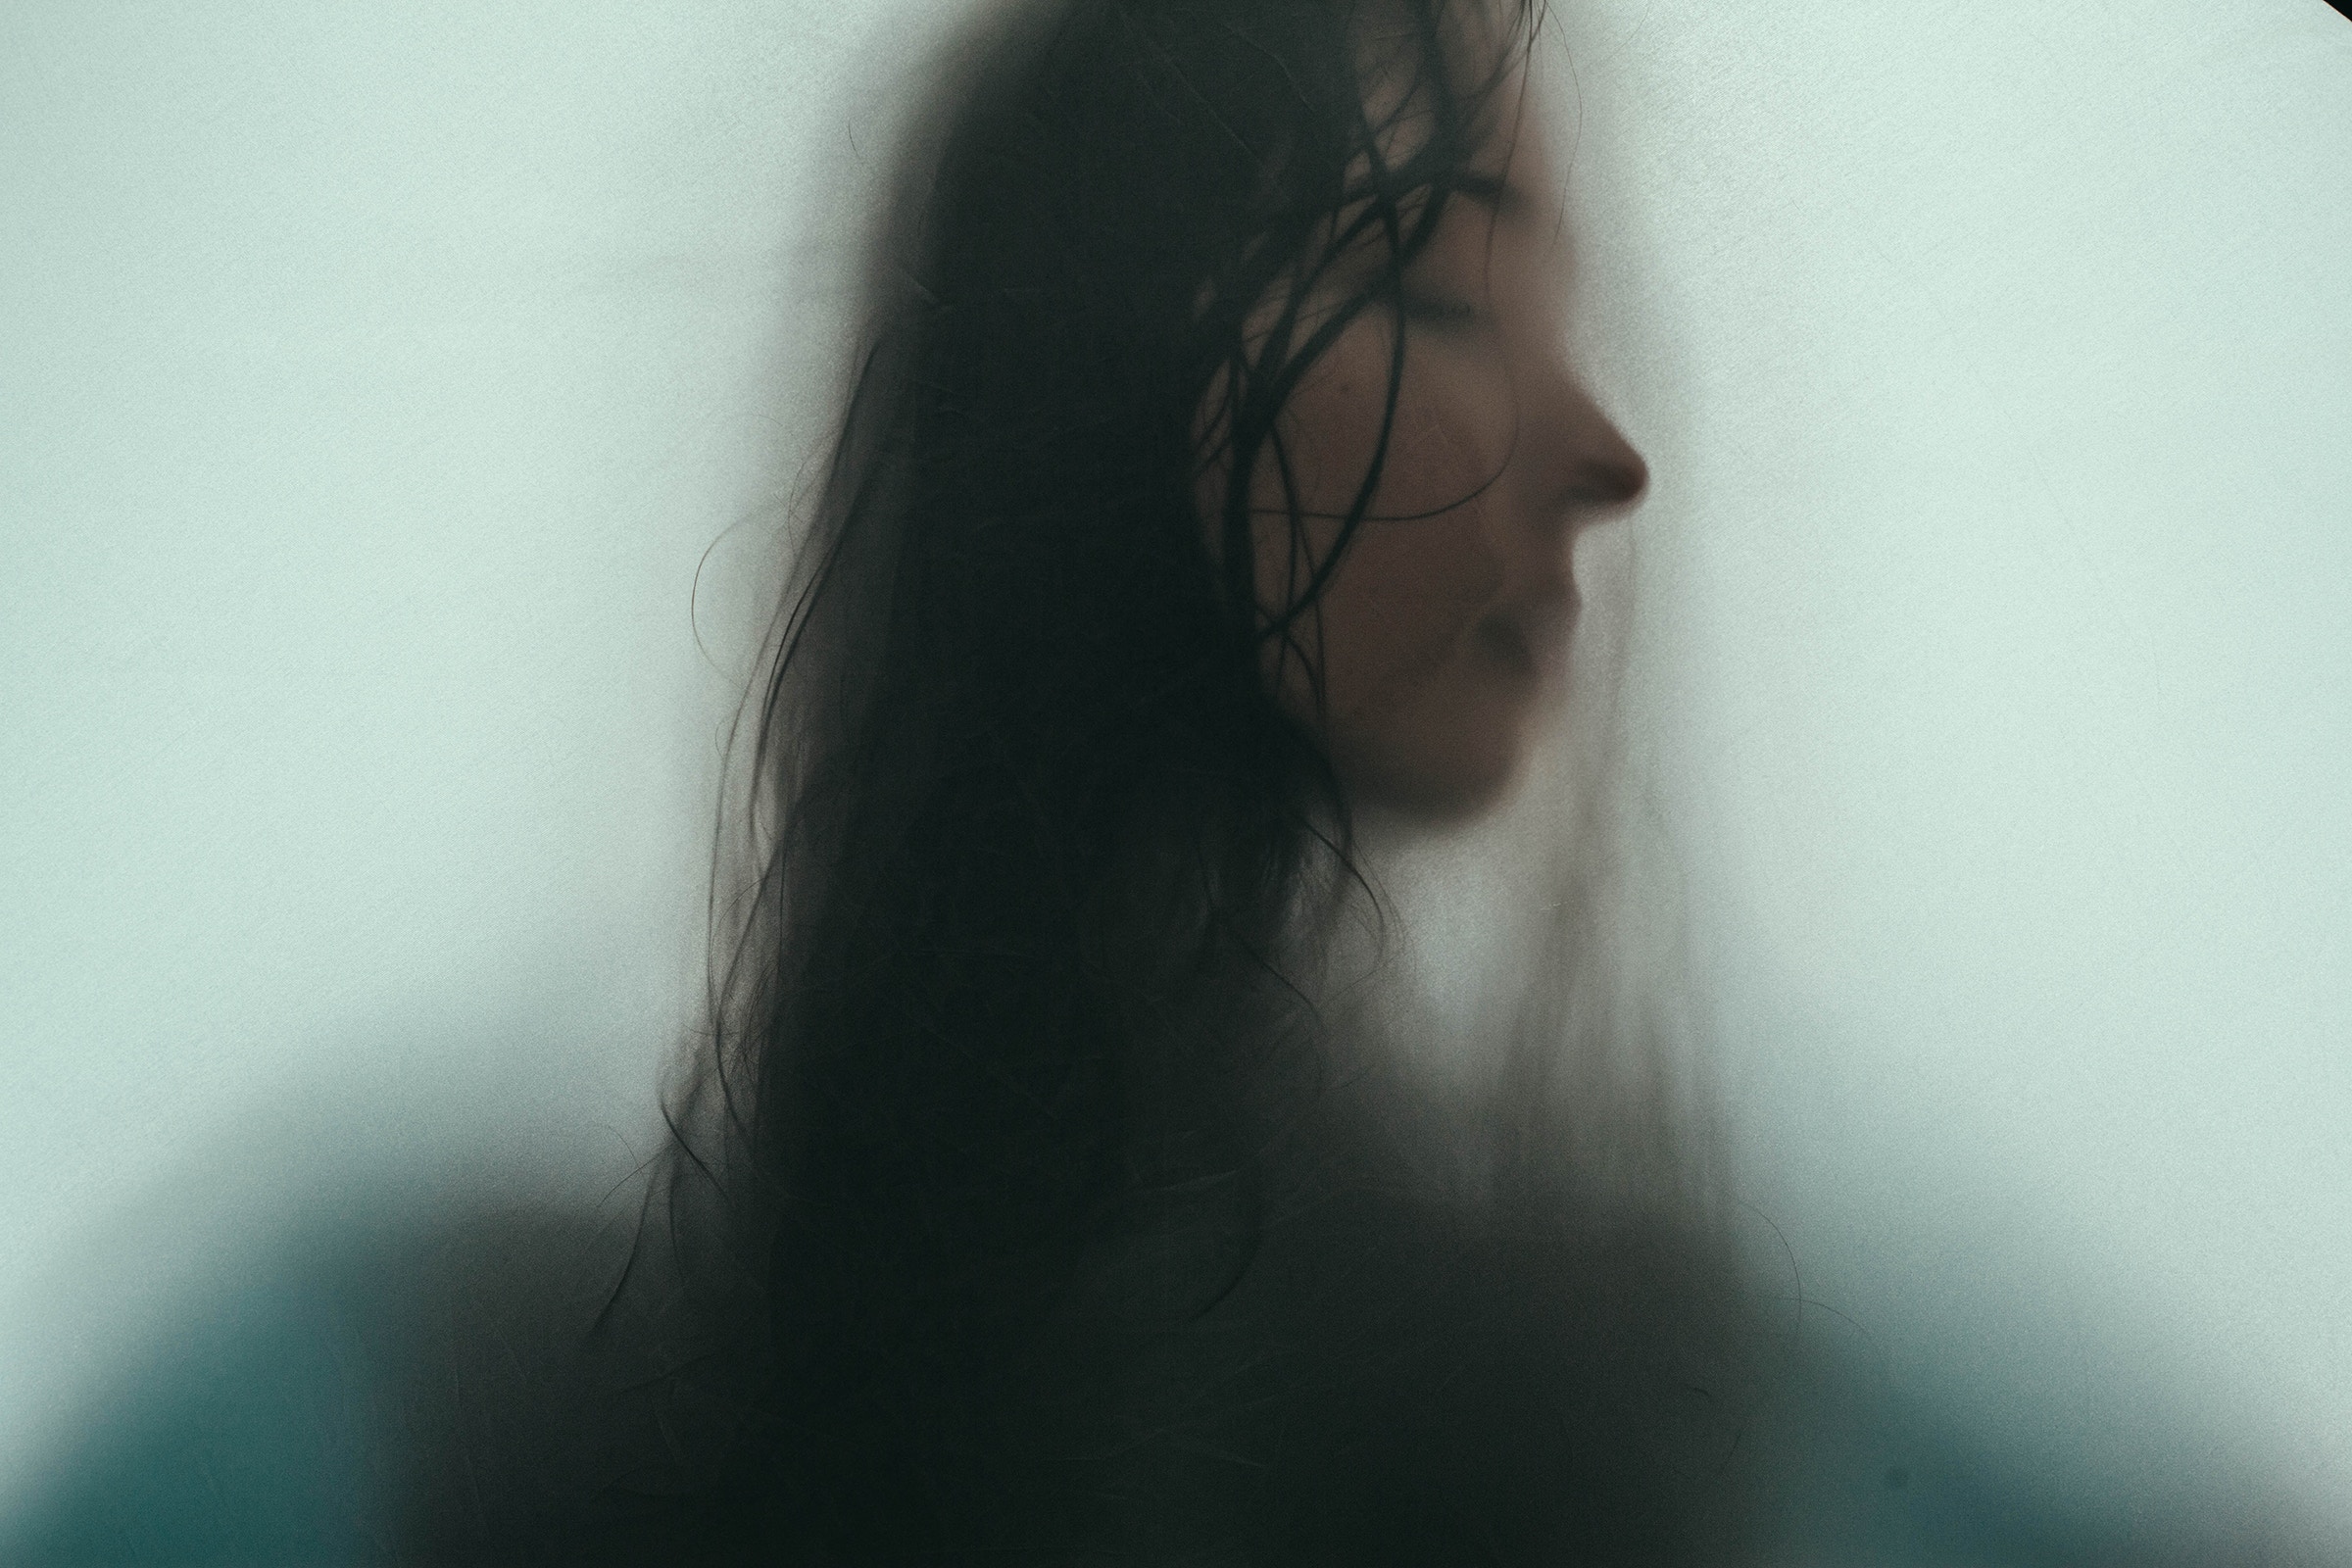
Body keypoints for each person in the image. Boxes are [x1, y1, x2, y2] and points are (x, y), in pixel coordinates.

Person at [391, 0, 1768, 1561]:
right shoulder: (1518, 1394)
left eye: (1564, 315)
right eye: (1434, 297)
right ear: (1105, 373)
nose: (1603, 453)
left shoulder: (599, 1387)